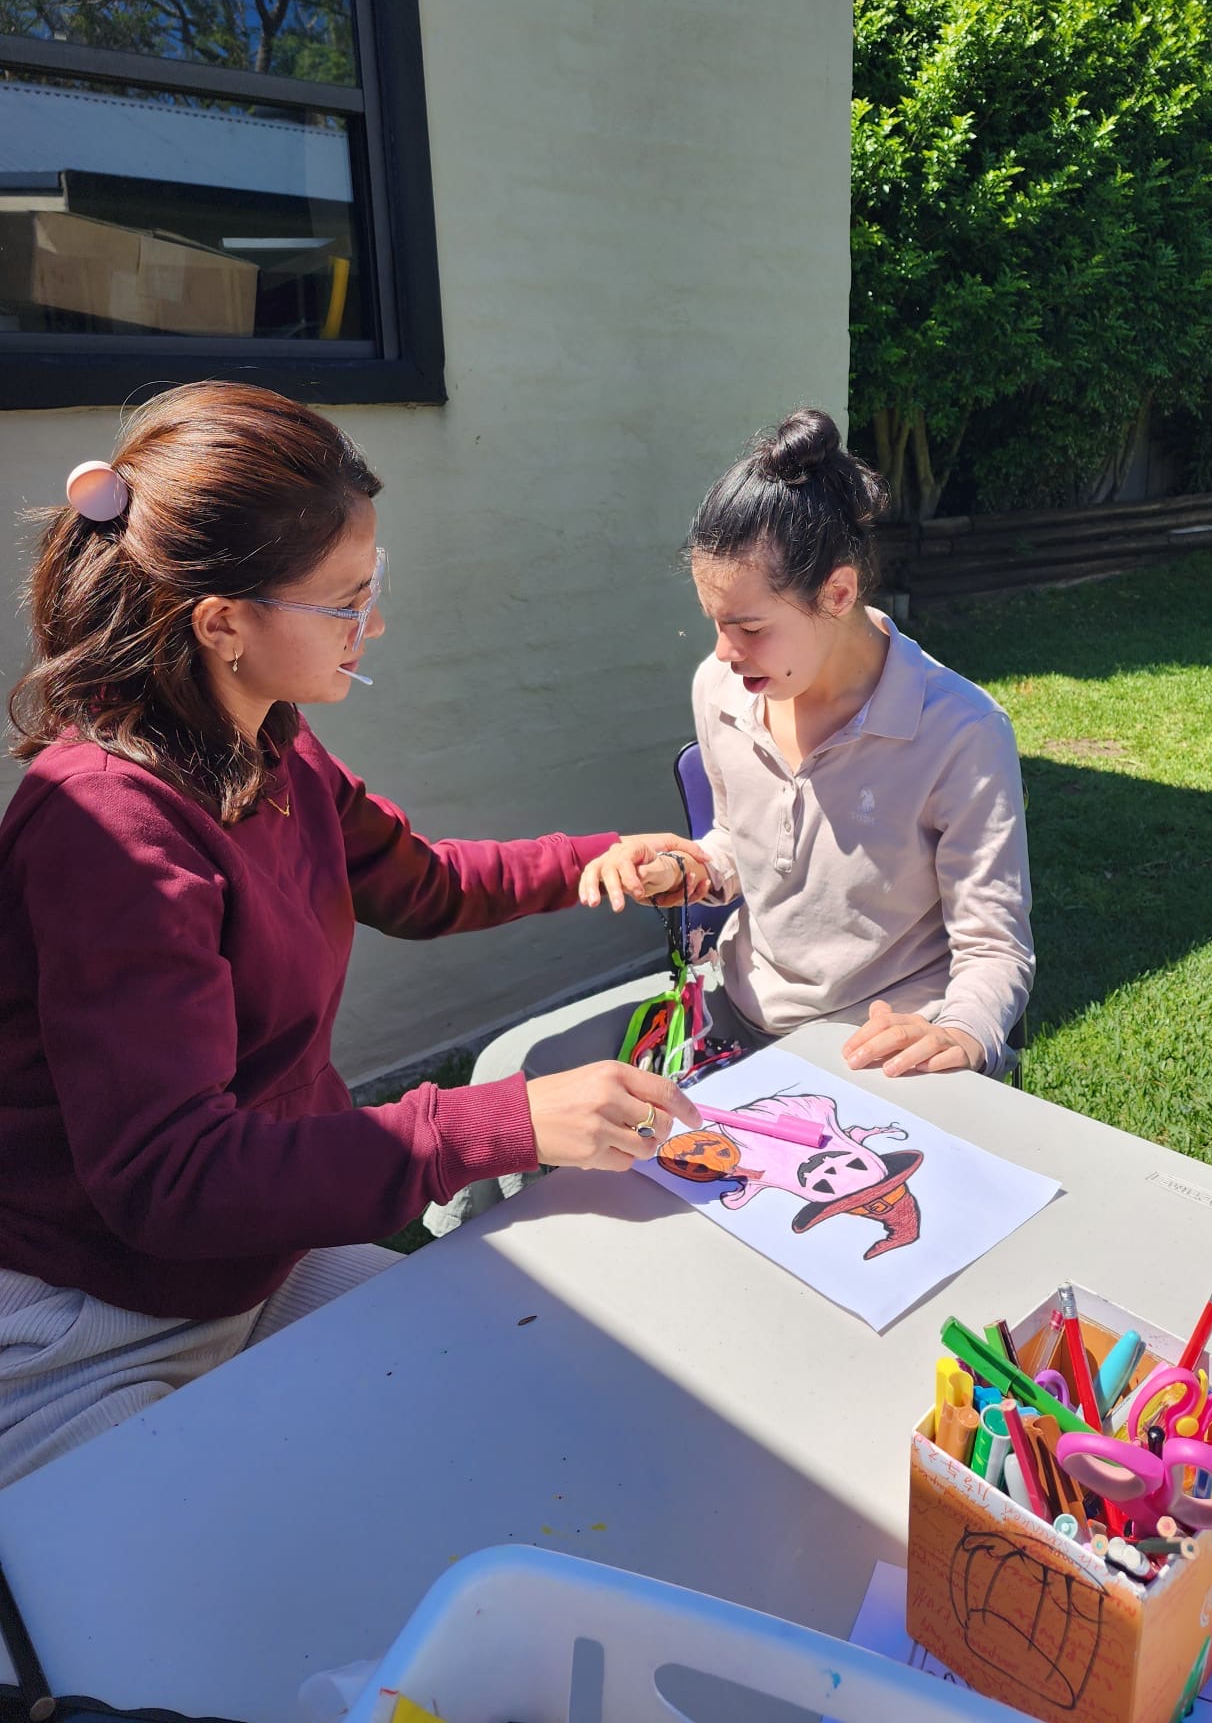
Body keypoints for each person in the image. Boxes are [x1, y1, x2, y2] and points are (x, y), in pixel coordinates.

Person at [0, 381, 696, 1487]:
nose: (373, 623)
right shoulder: (108, 829)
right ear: (223, 622)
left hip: (258, 1253)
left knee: (515, 1410)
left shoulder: (274, 743)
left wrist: (594, 858)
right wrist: (502, 1118)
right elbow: (168, 1175)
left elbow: (423, 885)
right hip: (96, 1315)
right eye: (346, 599)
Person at [428, 408, 1033, 1236]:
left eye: (748, 627)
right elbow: (739, 849)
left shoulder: (959, 730)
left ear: (839, 593)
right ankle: (479, 1297)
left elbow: (995, 949)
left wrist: (963, 1032)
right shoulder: (725, 689)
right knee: (509, 1073)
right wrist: (694, 871)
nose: (722, 653)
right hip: (731, 1009)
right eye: (715, 621)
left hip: (866, 1048)